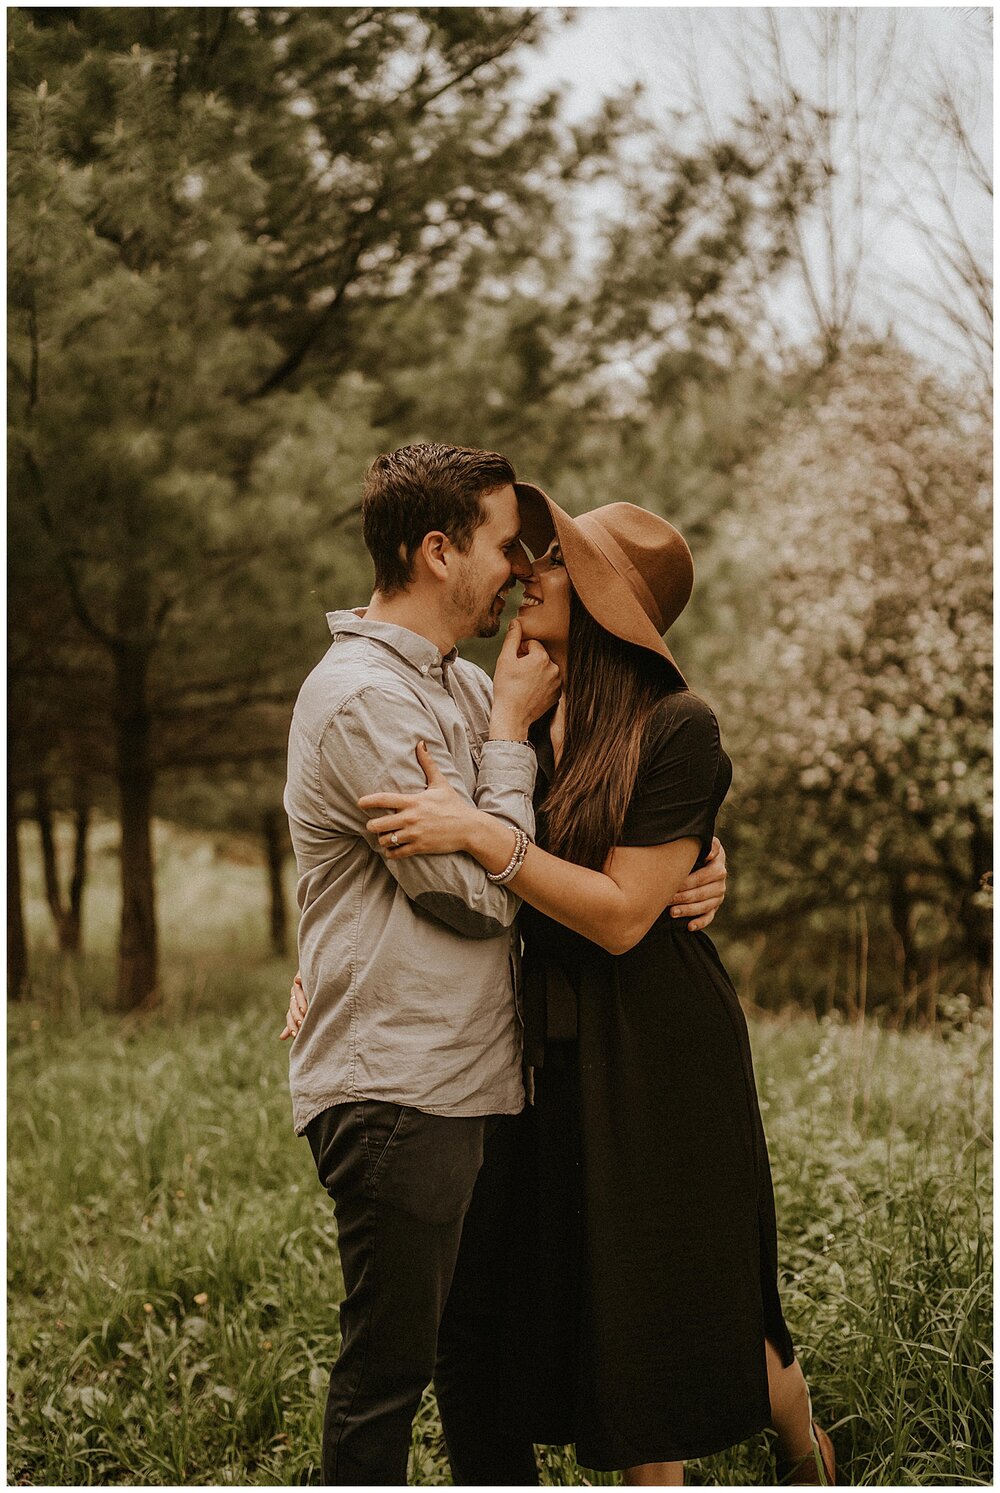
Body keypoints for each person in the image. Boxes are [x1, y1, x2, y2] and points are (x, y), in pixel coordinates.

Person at [288, 484, 836, 1486]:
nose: (529, 572)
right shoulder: (521, 720)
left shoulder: (680, 725)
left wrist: (487, 836)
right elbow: (361, 845)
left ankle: (807, 1453)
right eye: (529, 552)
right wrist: (321, 960)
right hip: (547, 1047)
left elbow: (625, 914)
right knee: (613, 1301)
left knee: (698, 1287)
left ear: (603, 603)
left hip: (660, 1046)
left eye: (556, 564)